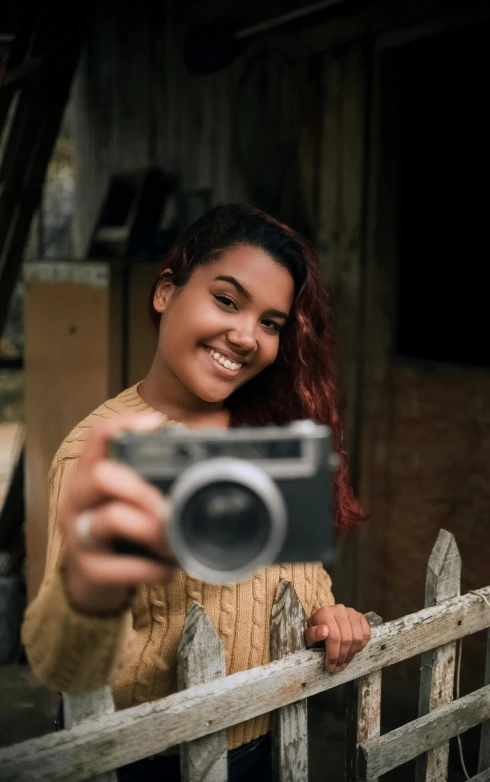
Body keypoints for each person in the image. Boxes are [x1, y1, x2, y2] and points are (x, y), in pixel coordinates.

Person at [22, 204, 371, 781]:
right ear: (166, 292)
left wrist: (331, 615)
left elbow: (303, 578)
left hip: (270, 736)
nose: (245, 336)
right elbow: (71, 654)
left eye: (271, 323)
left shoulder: (270, 434)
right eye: (227, 300)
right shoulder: (98, 449)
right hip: (146, 758)